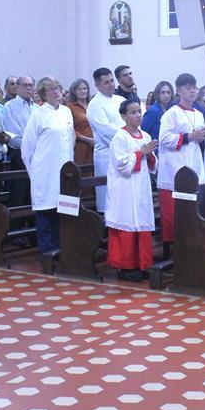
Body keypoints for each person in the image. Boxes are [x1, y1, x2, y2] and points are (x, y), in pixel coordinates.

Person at [20, 76, 74, 256]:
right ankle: (47, 253)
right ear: (43, 93)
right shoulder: (38, 114)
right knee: (46, 211)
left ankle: (64, 250)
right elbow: (27, 148)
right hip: (45, 171)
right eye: (50, 89)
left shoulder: (66, 111)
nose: (55, 91)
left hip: (65, 170)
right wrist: (34, 174)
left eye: (57, 87)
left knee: (64, 212)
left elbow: (70, 138)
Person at [106, 99, 158, 281]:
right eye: (133, 112)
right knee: (127, 222)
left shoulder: (145, 135)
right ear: (123, 116)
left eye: (139, 112)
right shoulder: (119, 137)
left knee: (141, 222)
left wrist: (150, 155)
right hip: (124, 189)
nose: (138, 115)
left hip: (141, 187)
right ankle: (125, 267)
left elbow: (152, 165)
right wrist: (142, 153)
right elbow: (121, 165)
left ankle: (142, 264)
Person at [157, 73, 205, 251]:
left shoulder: (199, 114)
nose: (192, 91)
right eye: (188, 87)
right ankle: (171, 252)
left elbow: (198, 139)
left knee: (192, 213)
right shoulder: (171, 113)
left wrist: (201, 137)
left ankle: (190, 248)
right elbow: (164, 138)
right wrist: (190, 136)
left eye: (194, 87)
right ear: (178, 90)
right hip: (174, 170)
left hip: (194, 165)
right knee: (174, 215)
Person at [86, 68, 126, 212]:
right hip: (106, 155)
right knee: (108, 197)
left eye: (111, 81)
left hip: (126, 152)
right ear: (97, 85)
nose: (110, 85)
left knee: (123, 196)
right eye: (106, 82)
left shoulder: (121, 100)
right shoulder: (94, 105)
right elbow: (106, 131)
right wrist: (129, 135)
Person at [2, 75, 35, 207]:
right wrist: (30, 146)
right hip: (19, 153)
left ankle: (32, 221)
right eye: (25, 85)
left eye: (31, 85)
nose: (28, 88)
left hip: (36, 154)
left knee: (33, 190)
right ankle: (18, 224)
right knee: (19, 191)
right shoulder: (10, 106)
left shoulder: (36, 107)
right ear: (18, 87)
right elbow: (12, 133)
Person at [66, 78, 95, 166]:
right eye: (79, 89)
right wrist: (87, 140)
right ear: (74, 91)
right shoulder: (69, 107)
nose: (83, 91)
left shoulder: (93, 105)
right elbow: (69, 129)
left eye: (84, 88)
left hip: (97, 146)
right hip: (81, 146)